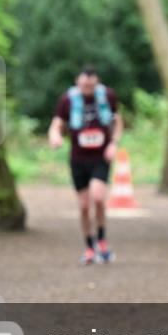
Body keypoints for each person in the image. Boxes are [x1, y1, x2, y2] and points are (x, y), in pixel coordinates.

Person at [48, 66, 123, 265]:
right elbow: (57, 123)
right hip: (78, 159)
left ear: (97, 82)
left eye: (91, 84)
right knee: (83, 206)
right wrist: (55, 136)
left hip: (100, 157)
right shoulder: (68, 99)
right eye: (84, 84)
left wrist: (114, 144)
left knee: (98, 197)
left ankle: (102, 242)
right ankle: (89, 247)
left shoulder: (107, 96)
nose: (87, 88)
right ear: (77, 82)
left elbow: (117, 121)